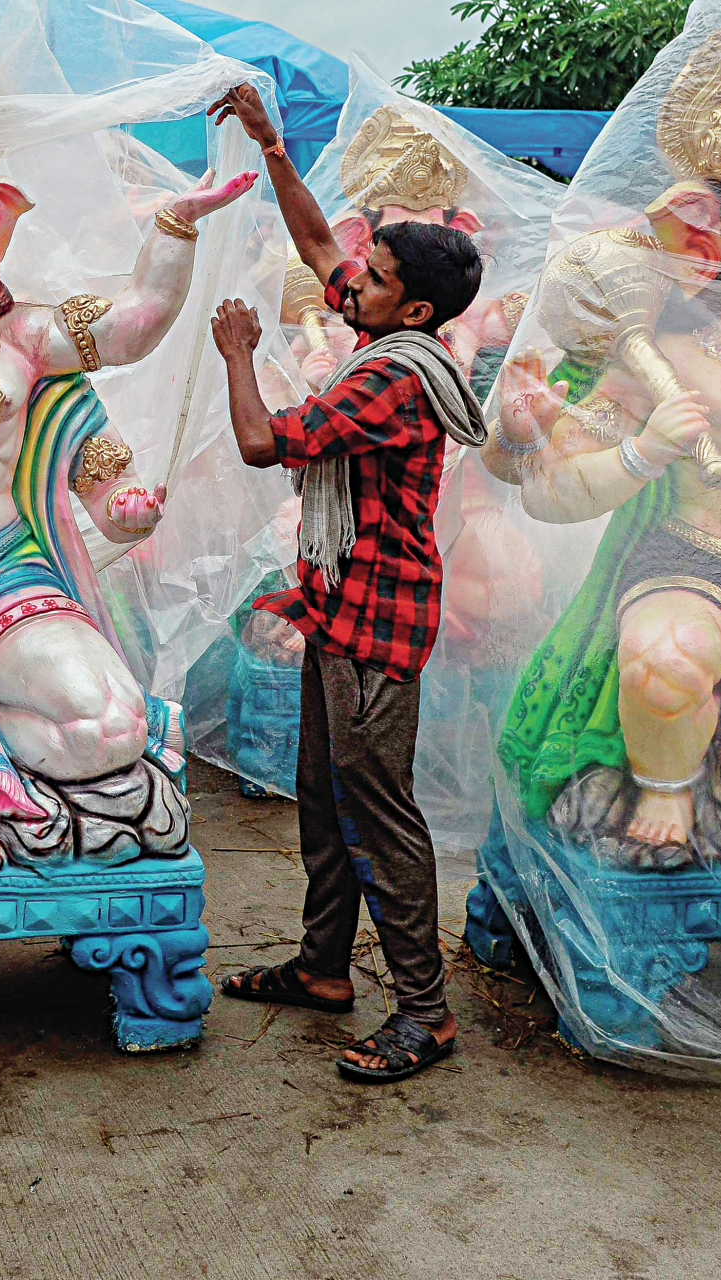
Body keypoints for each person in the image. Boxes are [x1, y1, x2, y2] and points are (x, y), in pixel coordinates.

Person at [204, 84, 487, 1084]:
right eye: (361, 266)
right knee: (323, 797)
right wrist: (275, 148)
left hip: (374, 619)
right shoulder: (392, 331)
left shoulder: (390, 375)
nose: (346, 279)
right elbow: (323, 243)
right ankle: (325, 967)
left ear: (410, 307)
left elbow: (256, 440)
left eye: (371, 277)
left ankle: (424, 1009)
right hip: (346, 602)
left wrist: (238, 352)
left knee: (377, 809)